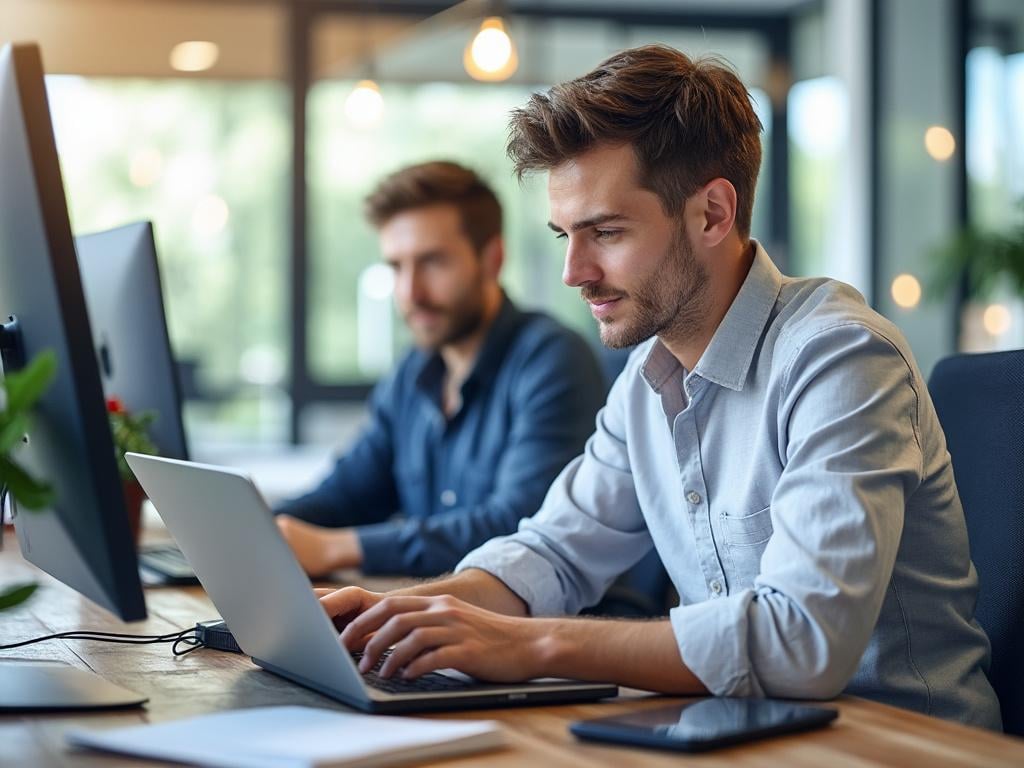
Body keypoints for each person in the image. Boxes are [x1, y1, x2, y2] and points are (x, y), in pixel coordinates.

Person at [317, 45, 1002, 730]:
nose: (573, 272)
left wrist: (532, 644)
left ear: (711, 213)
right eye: (564, 235)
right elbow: (553, 554)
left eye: (605, 232)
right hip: (743, 734)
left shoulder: (840, 356)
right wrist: (416, 614)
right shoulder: (646, 381)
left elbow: (804, 641)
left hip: (899, 745)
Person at [275, 161, 606, 578]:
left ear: (492, 259)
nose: (410, 292)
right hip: (440, 619)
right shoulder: (411, 375)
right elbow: (343, 496)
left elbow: (520, 527)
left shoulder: (552, 359)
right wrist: (261, 529)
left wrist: (339, 548)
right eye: (396, 267)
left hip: (554, 626)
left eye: (432, 262)